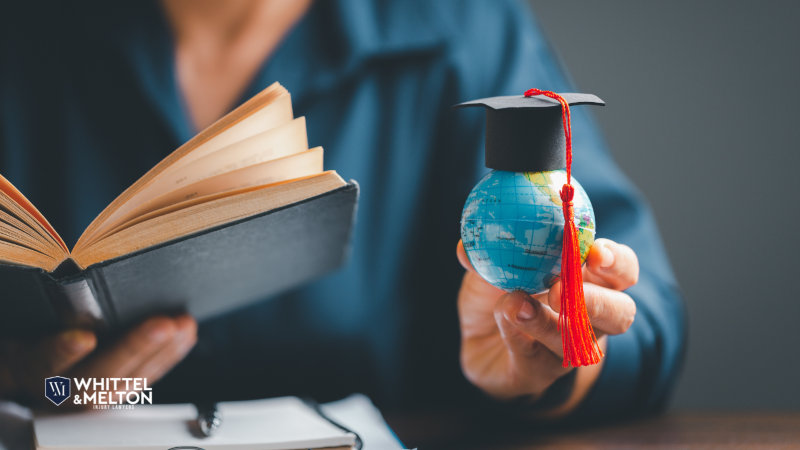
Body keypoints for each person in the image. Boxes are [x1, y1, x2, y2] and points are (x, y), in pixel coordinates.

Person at [0, 0, 685, 420]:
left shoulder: (462, 27)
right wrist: (16, 390)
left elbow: (644, 314)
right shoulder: (23, 32)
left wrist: (547, 353)